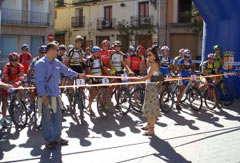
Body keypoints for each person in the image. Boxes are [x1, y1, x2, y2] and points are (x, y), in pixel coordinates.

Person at [35, 42, 85, 149]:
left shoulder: (56, 62)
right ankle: (49, 140)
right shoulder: (41, 64)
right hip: (47, 96)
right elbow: (39, 82)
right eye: (57, 50)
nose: (58, 52)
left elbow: (66, 70)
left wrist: (78, 75)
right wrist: (44, 96)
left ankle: (57, 138)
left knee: (58, 117)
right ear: (51, 50)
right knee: (47, 119)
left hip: (56, 95)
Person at [137, 48, 162, 136]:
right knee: (148, 107)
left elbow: (148, 76)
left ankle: (152, 130)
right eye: (147, 55)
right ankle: (148, 125)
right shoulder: (152, 64)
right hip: (150, 87)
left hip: (152, 88)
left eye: (150, 55)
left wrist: (140, 79)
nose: (148, 56)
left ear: (154, 56)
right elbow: (158, 76)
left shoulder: (154, 64)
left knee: (151, 109)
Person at [1, 52, 24, 127]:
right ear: (9, 60)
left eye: (15, 60)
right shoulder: (6, 67)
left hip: (15, 82)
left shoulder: (20, 66)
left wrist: (19, 82)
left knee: (22, 89)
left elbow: (21, 77)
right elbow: (7, 80)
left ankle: (21, 102)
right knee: (4, 101)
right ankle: (4, 118)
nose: (14, 62)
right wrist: (12, 84)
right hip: (5, 83)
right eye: (12, 60)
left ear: (18, 59)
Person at [86, 46, 110, 116]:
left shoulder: (100, 59)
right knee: (93, 93)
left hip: (100, 76)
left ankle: (100, 103)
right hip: (92, 77)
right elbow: (88, 70)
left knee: (102, 90)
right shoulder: (89, 59)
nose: (97, 53)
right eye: (96, 52)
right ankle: (89, 105)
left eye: (98, 52)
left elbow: (104, 68)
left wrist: (108, 73)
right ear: (93, 53)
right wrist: (93, 75)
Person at [28, 45, 47, 110]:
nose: (44, 54)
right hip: (36, 79)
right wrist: (28, 79)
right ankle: (32, 104)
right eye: (42, 52)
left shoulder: (50, 60)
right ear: (39, 52)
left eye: (45, 52)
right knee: (32, 92)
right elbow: (30, 69)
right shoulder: (35, 60)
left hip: (47, 80)